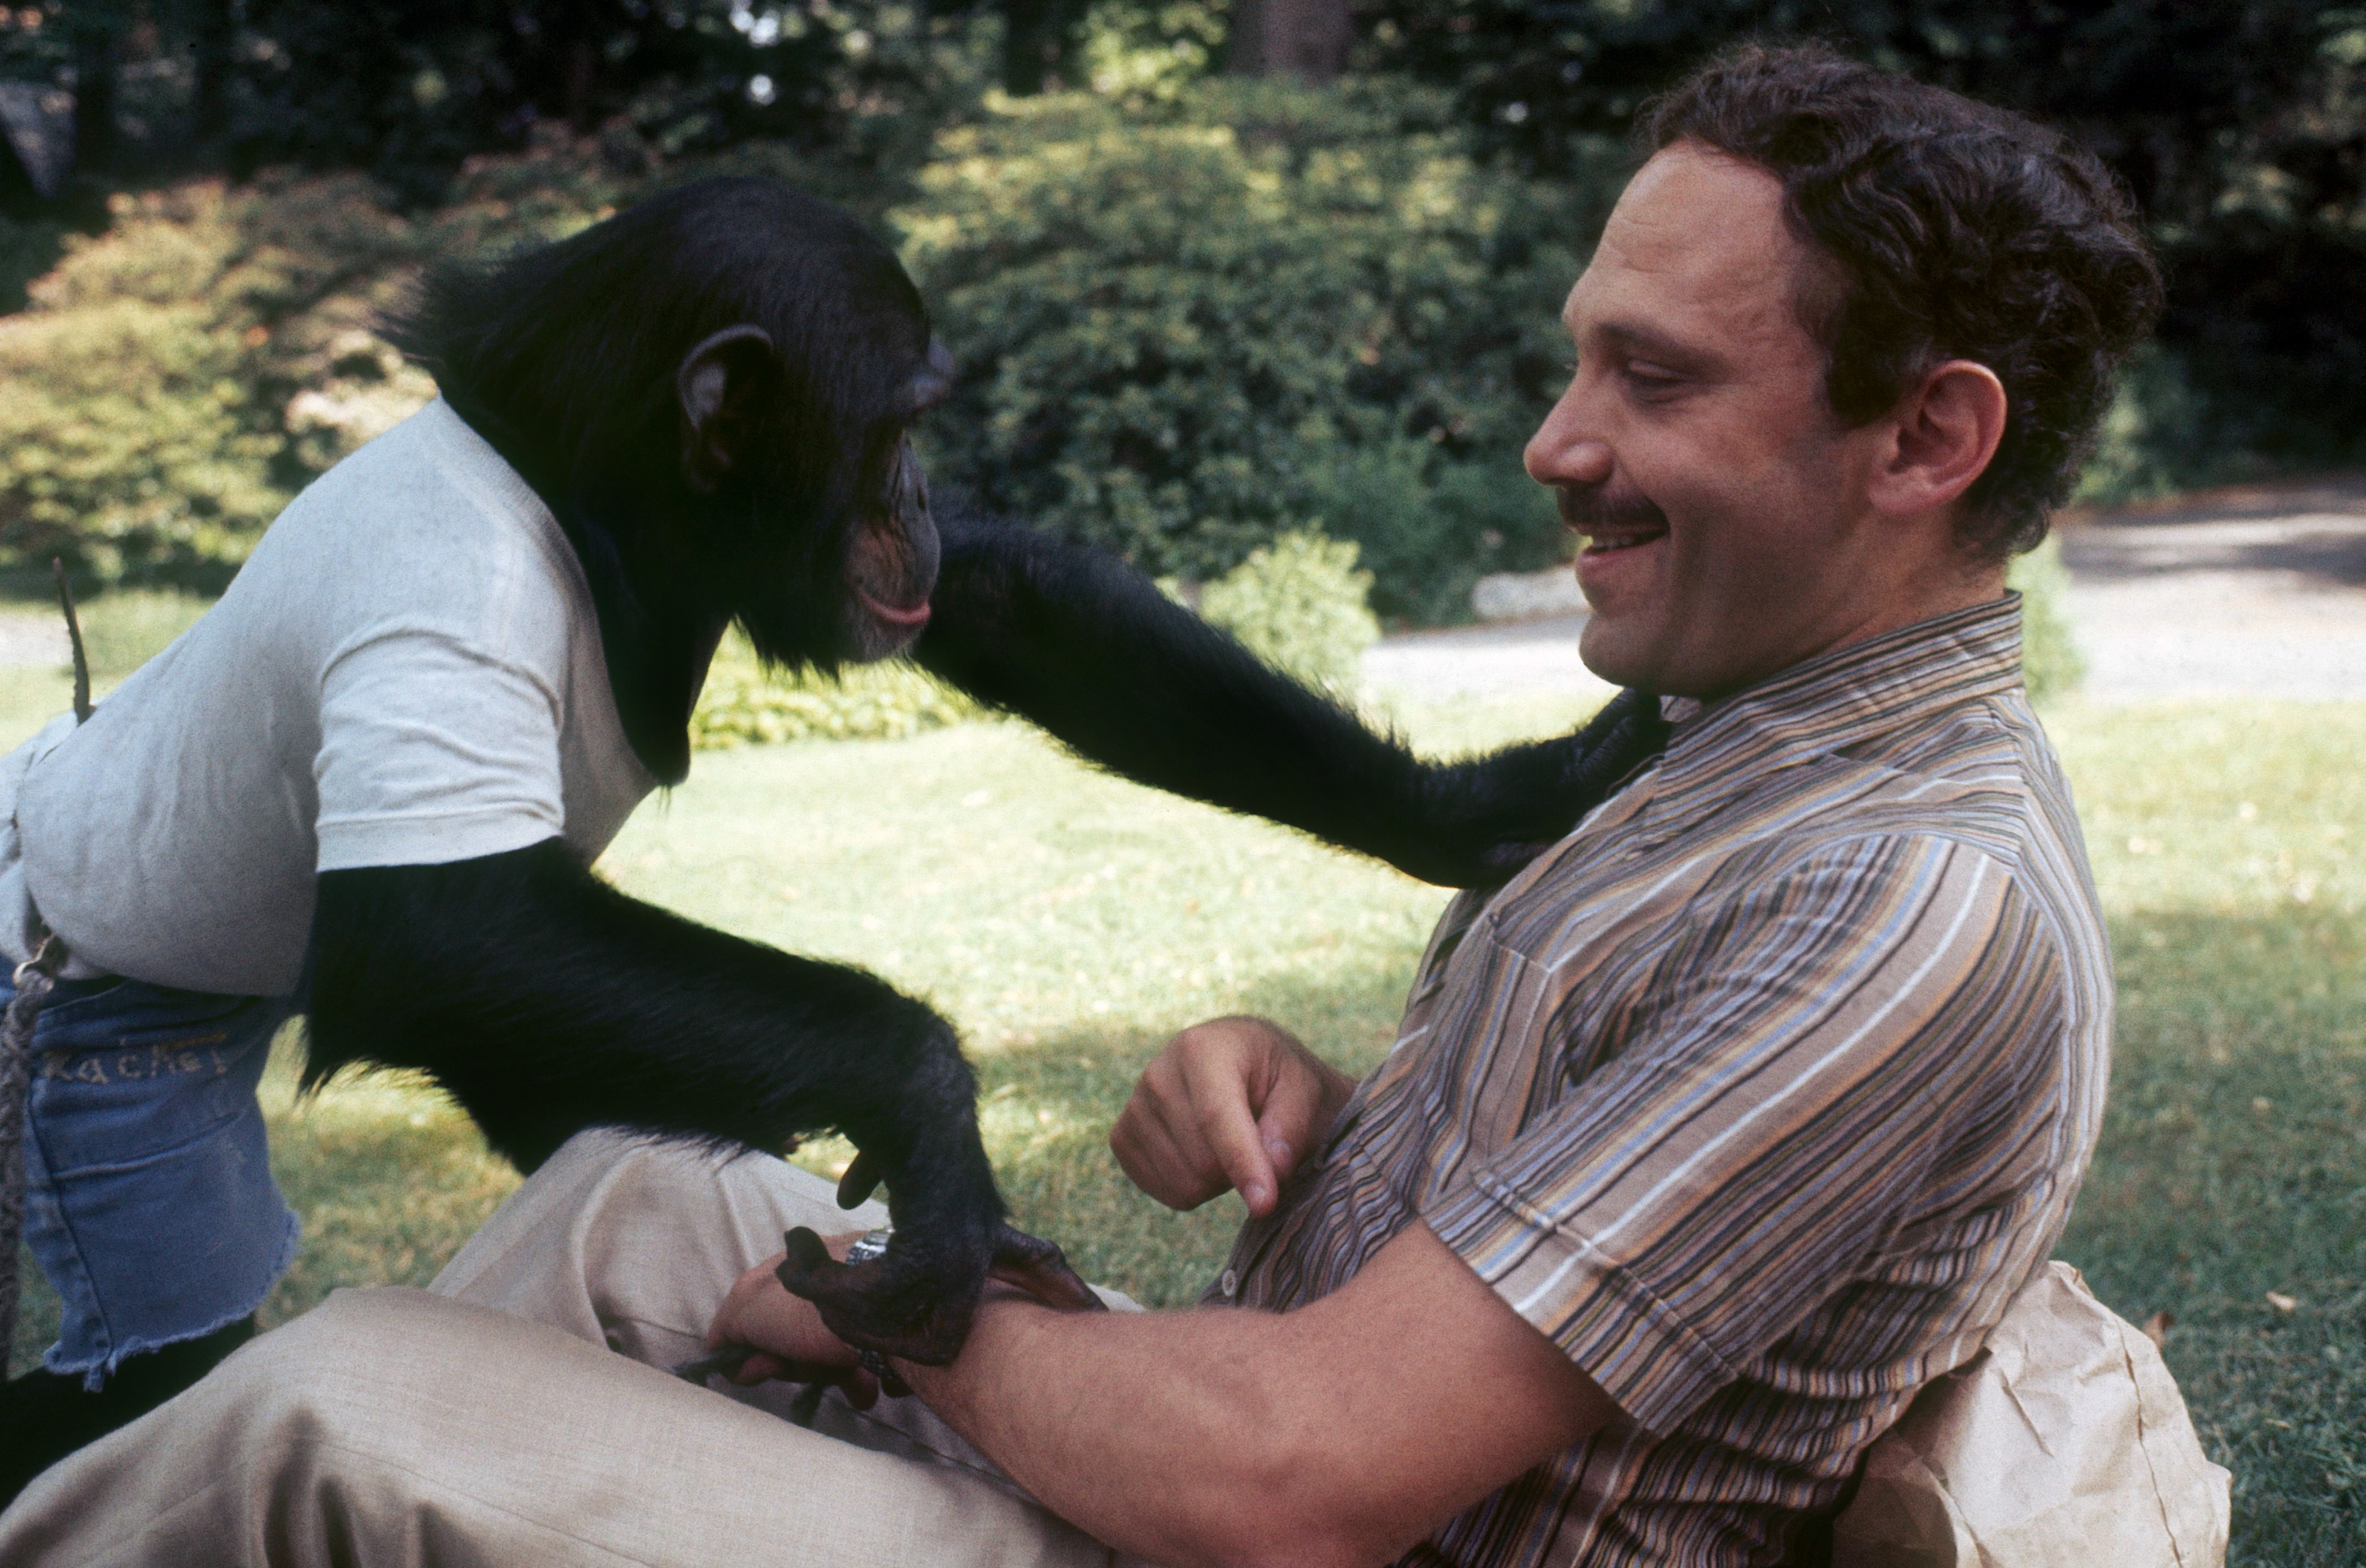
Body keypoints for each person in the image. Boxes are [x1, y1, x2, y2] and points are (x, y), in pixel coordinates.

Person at [0, 40, 2163, 1568]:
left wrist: (930, 1317)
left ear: (1926, 442)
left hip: (1259, 1519)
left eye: (1655, 379)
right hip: (87, 990)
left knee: (334, 1402)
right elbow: (437, 956)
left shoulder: (1903, 891)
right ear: (722, 424)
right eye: (1581, 356)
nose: (1549, 441)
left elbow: (1295, 1487)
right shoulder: (1760, 751)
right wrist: (1326, 1083)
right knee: (630, 1201)